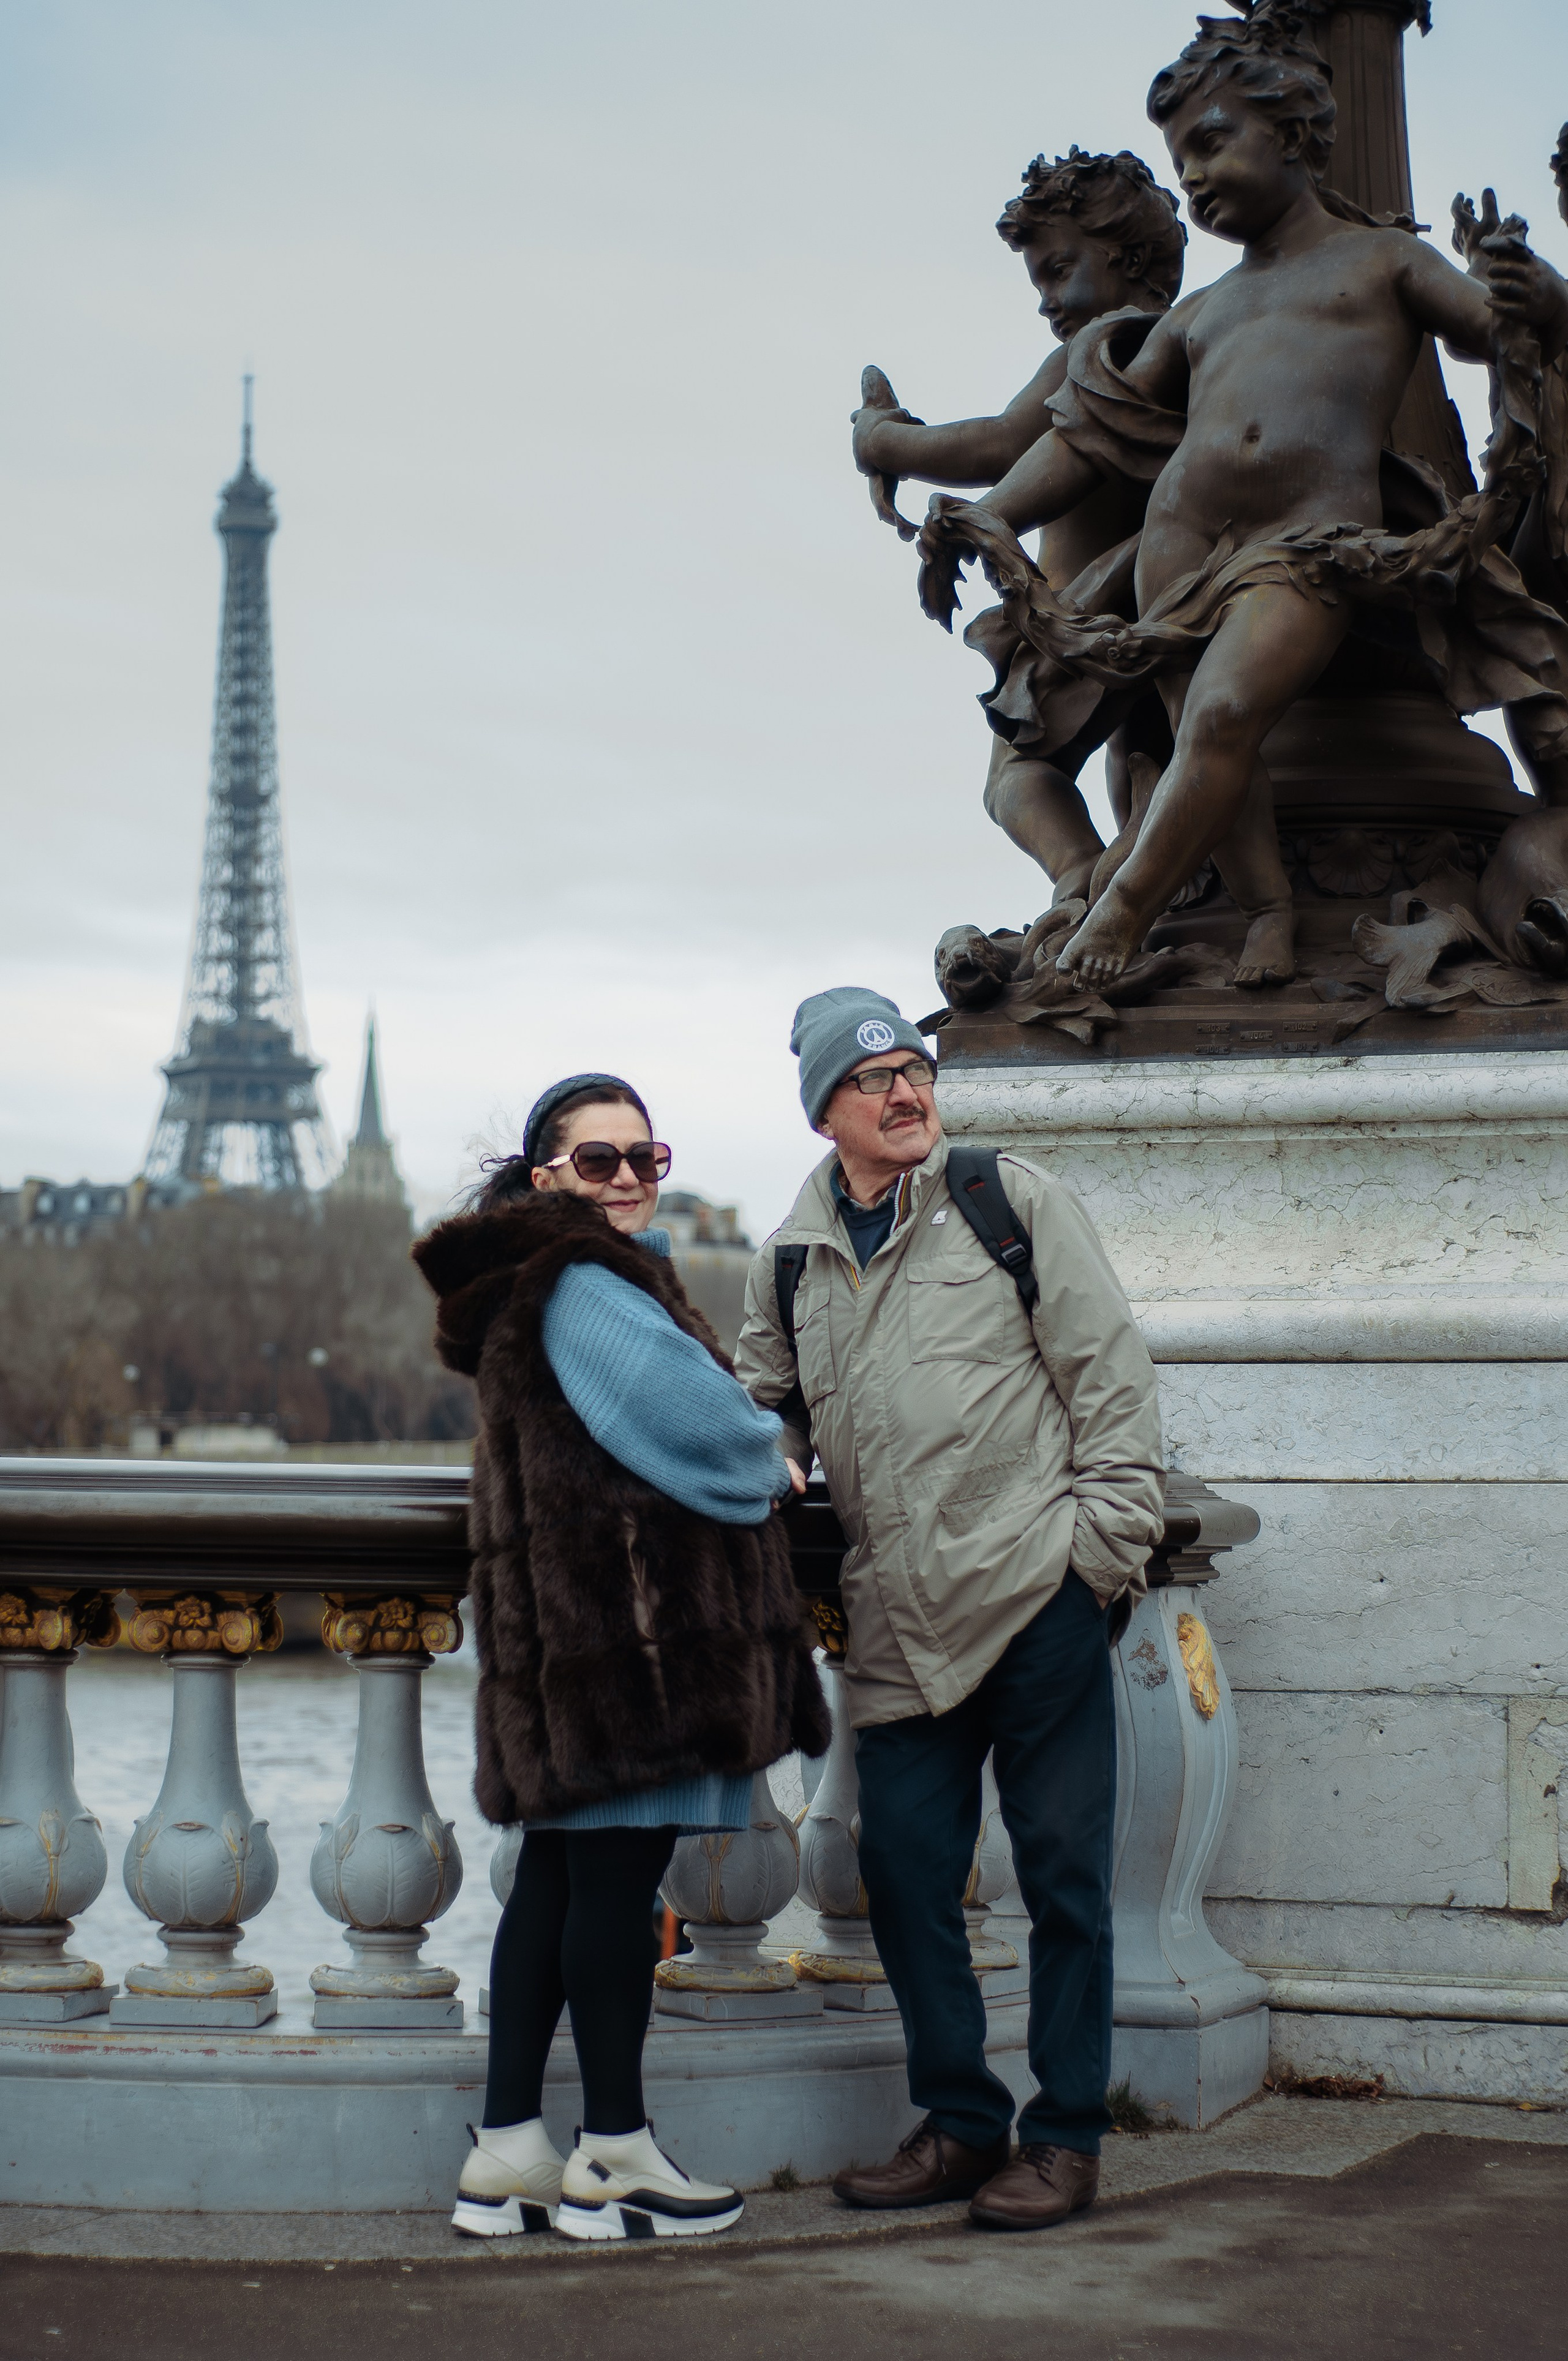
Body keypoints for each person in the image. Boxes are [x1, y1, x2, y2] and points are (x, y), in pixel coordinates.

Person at [916, 0, 1568, 989]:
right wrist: (996, 511)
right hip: (1181, 554)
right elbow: (1088, 437)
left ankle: (1125, 906)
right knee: (1215, 748)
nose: (1197, 178)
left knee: (1221, 719)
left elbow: (1495, 331)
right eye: (1181, 161)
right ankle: (1266, 908)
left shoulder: (1383, 260)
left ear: (1299, 133)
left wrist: (1538, 298)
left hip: (1305, 550)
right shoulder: (1204, 312)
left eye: (1214, 145)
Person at [734, 990, 1164, 2232]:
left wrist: (1100, 1554)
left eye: (911, 1069)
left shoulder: (1006, 1199)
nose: (902, 1091)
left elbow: (1109, 1375)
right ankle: (963, 2122)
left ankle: (1066, 2134)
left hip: (1037, 1593)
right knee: (903, 1871)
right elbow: (760, 1391)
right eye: (870, 1080)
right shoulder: (790, 1255)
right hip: (894, 1618)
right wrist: (770, 1438)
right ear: (825, 1110)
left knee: (1063, 1880)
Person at [413, 1073, 829, 2243]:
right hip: (639, 1641)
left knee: (554, 1885)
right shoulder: (585, 1283)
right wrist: (767, 1452)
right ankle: (615, 2156)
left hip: (575, 1637)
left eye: (648, 1159)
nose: (631, 1180)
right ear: (547, 1176)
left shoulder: (536, 1280)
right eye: (600, 1161)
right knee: (610, 1892)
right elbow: (696, 1424)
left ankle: (506, 2152)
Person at [850, 148, 1186, 902]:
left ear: (1129, 257)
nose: (1045, 300)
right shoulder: (1191, 348)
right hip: (1164, 601)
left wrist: (883, 440)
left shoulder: (1102, 348)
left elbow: (1000, 444)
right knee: (1146, 760)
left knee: (1017, 777)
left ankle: (1080, 879)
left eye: (1058, 270)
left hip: (1087, 614)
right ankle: (1146, 873)